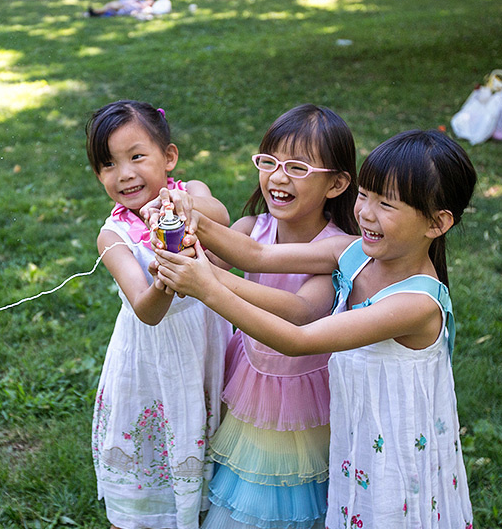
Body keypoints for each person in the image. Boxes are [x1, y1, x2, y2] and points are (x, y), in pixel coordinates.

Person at [154, 129, 475, 528]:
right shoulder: (354, 252)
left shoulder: (415, 305)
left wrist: (207, 287)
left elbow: (298, 340)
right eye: (365, 195)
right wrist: (191, 219)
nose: (366, 213)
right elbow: (255, 253)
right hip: (356, 436)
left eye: (387, 204)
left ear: (437, 223)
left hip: (398, 454)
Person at [148, 104, 357, 528]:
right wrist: (176, 240)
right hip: (249, 375)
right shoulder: (251, 226)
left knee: (281, 496)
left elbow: (300, 312)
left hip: (301, 397)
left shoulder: (338, 248)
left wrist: (205, 280)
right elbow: (210, 254)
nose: (278, 177)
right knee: (238, 479)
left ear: (336, 183)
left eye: (298, 167)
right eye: (270, 162)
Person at [86, 100, 232, 529]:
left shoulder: (194, 194)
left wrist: (183, 209)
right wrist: (165, 275)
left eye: (136, 156)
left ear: (168, 158)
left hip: (206, 345)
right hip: (152, 362)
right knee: (151, 470)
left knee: (210, 445)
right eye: (108, 164)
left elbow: (221, 218)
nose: (124, 173)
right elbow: (146, 311)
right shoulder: (112, 236)